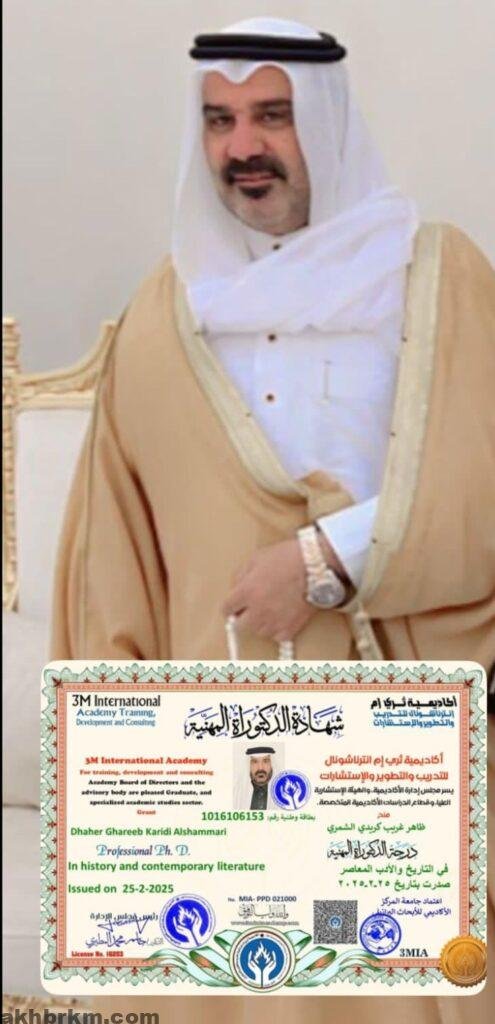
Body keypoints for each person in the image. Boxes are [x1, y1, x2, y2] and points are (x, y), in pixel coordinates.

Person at [51, 15, 494, 1023]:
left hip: (391, 745)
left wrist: (328, 555)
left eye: (271, 115)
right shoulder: (165, 314)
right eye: (219, 120)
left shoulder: (436, 276)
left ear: (325, 121)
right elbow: (112, 561)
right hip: (214, 757)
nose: (242, 146)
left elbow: (478, 479)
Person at [233, 745, 278, 809]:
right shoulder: (237, 794)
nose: (260, 768)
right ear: (249, 765)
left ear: (272, 764)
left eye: (265, 761)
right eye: (254, 762)